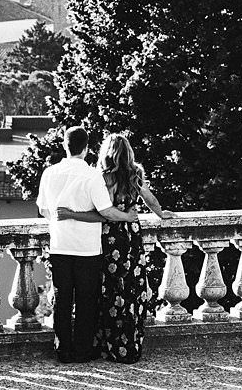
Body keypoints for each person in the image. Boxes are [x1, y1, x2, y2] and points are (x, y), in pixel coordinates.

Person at [58, 133, 170, 363]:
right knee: (130, 288)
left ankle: (104, 344)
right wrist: (161, 213)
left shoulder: (101, 176)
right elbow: (148, 197)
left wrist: (71, 214)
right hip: (130, 237)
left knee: (106, 289)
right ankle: (128, 344)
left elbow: (104, 211)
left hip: (107, 237)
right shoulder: (135, 174)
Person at [35, 126, 137, 363]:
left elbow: (43, 209)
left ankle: (62, 349)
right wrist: (126, 216)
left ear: (65, 145)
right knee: (86, 300)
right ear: (87, 148)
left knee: (62, 300)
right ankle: (82, 350)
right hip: (87, 248)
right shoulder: (92, 175)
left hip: (60, 244)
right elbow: (106, 212)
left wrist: (60, 221)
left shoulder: (49, 173)